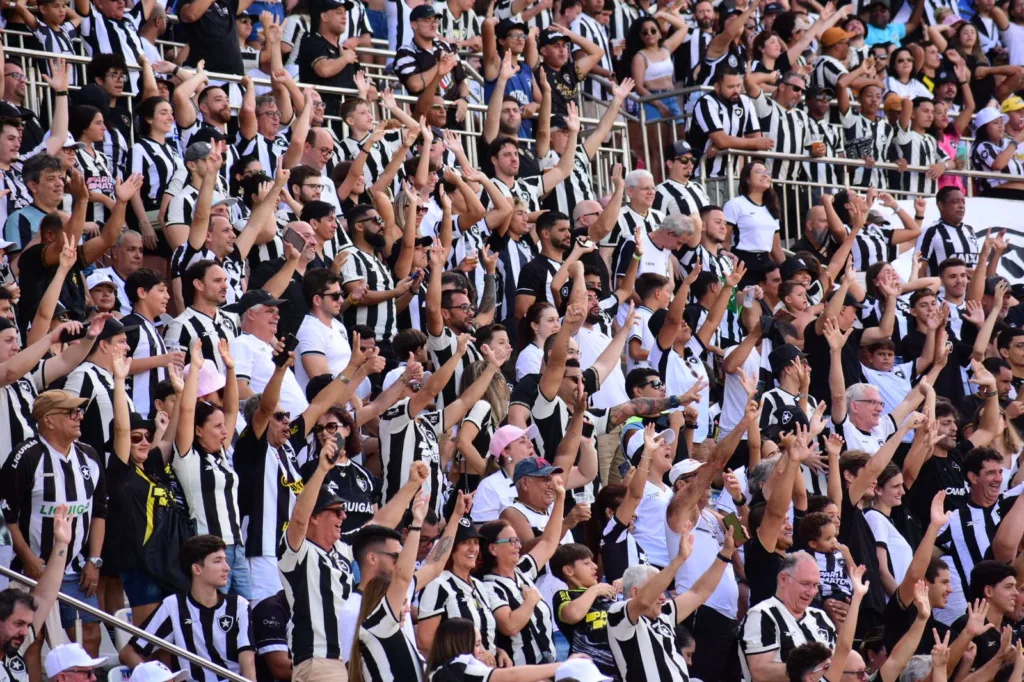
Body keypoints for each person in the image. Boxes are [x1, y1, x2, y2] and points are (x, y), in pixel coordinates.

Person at [2, 390, 108, 655]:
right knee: (30, 641)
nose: (79, 417)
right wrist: (27, 558)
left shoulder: (89, 455)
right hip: (30, 570)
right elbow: (6, 515)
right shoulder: (25, 457)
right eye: (71, 413)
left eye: (80, 412)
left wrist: (94, 560)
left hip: (77, 569)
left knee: (90, 635)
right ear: (48, 420)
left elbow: (99, 512)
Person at [607, 526, 736, 682]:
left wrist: (726, 553)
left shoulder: (665, 614)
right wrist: (679, 559)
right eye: (658, 590)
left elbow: (699, 593)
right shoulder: (618, 615)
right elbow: (643, 601)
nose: (663, 597)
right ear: (634, 593)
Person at [121, 535, 256, 682]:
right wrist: (154, 676)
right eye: (218, 561)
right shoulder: (173, 606)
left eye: (225, 560)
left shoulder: (239, 605)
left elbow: (247, 661)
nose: (227, 567)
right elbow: (128, 652)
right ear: (197, 569)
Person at [739, 551, 838, 681]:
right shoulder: (762, 614)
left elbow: (838, 662)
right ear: (784, 579)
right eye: (805, 583)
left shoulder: (820, 616)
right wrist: (810, 669)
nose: (811, 592)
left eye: (815, 585)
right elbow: (759, 672)